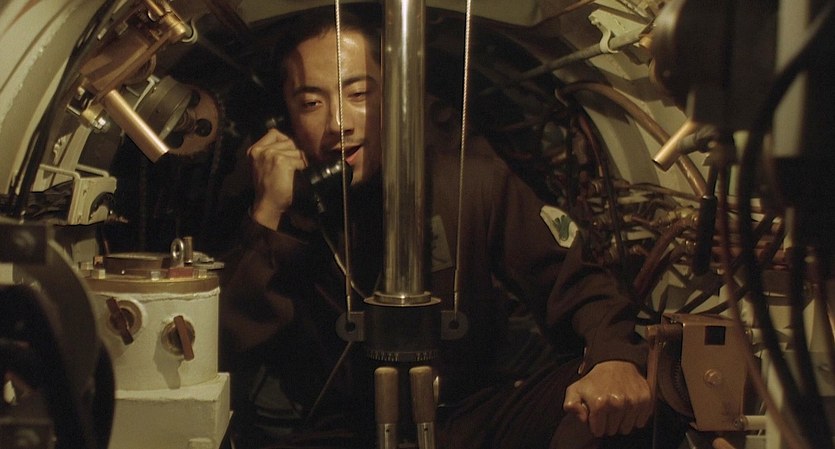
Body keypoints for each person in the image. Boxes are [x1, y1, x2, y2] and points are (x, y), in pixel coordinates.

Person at [219, 5, 653, 449]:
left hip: (470, 418)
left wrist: (614, 358)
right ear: (285, 121)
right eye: (311, 103)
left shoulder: (469, 182)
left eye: (359, 94)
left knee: (637, 397)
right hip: (343, 430)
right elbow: (226, 346)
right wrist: (268, 214)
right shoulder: (286, 214)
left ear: (395, 95)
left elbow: (576, 285)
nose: (338, 124)